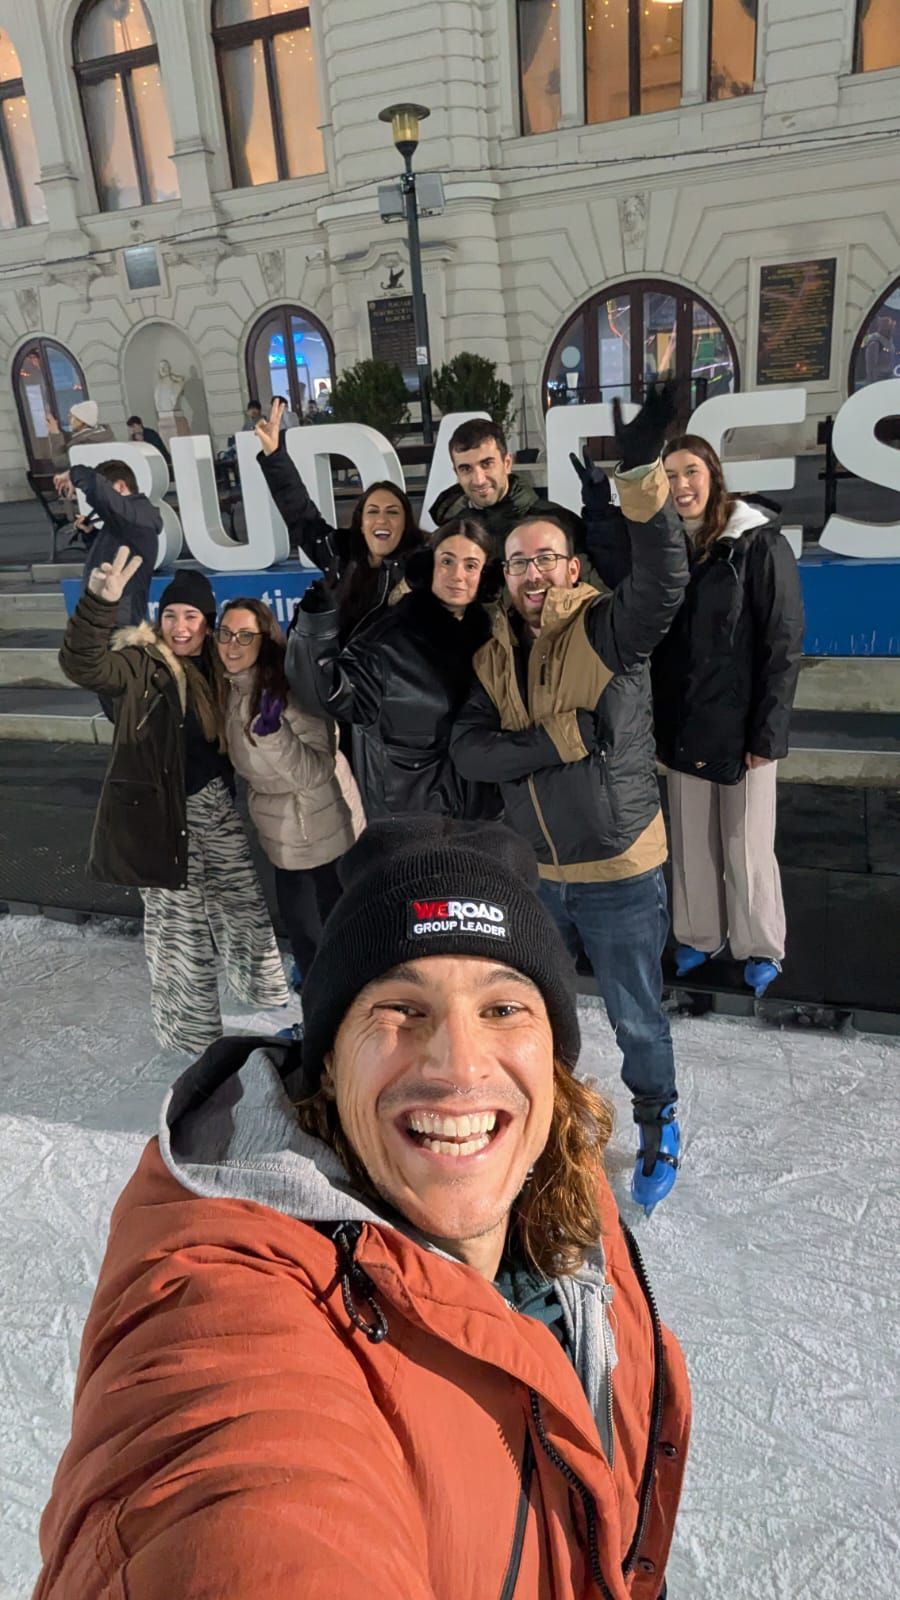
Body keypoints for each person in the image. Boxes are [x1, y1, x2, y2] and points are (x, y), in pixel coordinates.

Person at [34, 817, 690, 1600]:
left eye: (503, 1007)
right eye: (400, 1009)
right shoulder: (231, 1292)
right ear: (329, 1060)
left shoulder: (566, 1198)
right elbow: (235, 1491)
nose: (458, 1063)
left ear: (554, 1053)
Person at [451, 386, 690, 1215]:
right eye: (518, 562)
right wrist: (552, 743)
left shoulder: (606, 629)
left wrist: (642, 475)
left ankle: (659, 1122)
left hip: (618, 868)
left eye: (546, 558)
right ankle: (545, 1123)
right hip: (539, 872)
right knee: (539, 1016)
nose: (532, 574)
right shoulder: (493, 652)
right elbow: (468, 747)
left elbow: (663, 580)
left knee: (635, 1017)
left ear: (574, 566)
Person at [58, 554, 290, 1053]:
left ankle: (261, 989)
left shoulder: (215, 665)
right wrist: (99, 602)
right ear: (158, 621)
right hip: (159, 817)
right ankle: (189, 1033)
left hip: (213, 806)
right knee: (178, 930)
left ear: (207, 625)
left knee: (242, 900)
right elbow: (84, 663)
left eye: (191, 617)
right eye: (171, 616)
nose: (180, 627)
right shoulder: (141, 663)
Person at [651, 434, 805, 1000]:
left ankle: (760, 944)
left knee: (746, 844)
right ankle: (698, 934)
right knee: (692, 842)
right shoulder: (668, 549)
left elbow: (783, 643)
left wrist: (768, 733)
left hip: (743, 731)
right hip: (685, 725)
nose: (681, 485)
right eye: (668, 476)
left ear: (713, 474)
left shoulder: (758, 544)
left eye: (689, 471)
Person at [287, 520, 500, 822]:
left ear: (486, 576)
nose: (457, 576)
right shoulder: (389, 639)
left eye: (471, 565)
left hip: (482, 818)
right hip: (411, 823)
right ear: (428, 567)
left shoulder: (493, 639)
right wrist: (314, 628)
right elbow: (327, 694)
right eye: (447, 561)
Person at [217, 597, 360, 986]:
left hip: (321, 831)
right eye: (226, 634)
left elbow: (316, 772)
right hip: (282, 834)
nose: (232, 644)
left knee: (329, 942)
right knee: (306, 942)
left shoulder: (290, 689)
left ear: (265, 640)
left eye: (245, 636)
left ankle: (335, 1024)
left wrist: (274, 734)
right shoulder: (233, 686)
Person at [255, 398, 423, 641]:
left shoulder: (421, 566)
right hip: (339, 675)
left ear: (406, 522)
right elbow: (300, 513)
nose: (382, 519)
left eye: (393, 512)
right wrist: (274, 455)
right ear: (362, 524)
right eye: (373, 511)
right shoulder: (339, 555)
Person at [430, 417, 603, 583]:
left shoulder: (557, 521)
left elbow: (591, 588)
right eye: (466, 469)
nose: (479, 480)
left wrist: (603, 517)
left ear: (507, 463)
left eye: (486, 464)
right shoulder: (449, 534)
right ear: (456, 473)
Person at [54, 460, 161, 625]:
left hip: (116, 619)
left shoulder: (136, 515)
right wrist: (91, 535)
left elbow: (98, 491)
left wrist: (73, 474)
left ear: (120, 487)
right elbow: (109, 558)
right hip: (106, 615)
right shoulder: (128, 520)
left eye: (107, 489)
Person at [46, 398, 113, 469]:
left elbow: (59, 462)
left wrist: (55, 434)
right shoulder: (101, 434)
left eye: (72, 416)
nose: (68, 418)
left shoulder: (84, 445)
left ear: (82, 421)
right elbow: (74, 437)